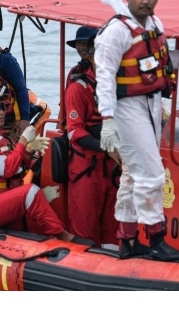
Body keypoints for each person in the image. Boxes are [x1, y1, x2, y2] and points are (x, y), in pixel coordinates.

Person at [95, 0, 179, 261]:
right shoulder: (116, 32)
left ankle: (127, 239)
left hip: (151, 102)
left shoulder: (155, 25)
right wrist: (107, 119)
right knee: (153, 173)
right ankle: (157, 238)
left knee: (134, 176)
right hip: (126, 107)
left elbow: (161, 60)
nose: (145, 0)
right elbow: (105, 76)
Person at [0, 87, 84, 242]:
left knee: (34, 206)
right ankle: (62, 236)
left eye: (3, 107)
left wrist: (29, 150)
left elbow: (17, 167)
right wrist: (23, 141)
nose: (1, 112)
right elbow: (7, 169)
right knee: (30, 192)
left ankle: (49, 240)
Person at [65, 33, 120, 248]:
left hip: (115, 166)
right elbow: (74, 132)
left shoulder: (123, 88)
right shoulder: (78, 88)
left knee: (114, 226)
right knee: (84, 227)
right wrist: (107, 148)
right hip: (86, 167)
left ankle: (114, 265)